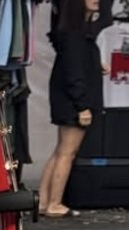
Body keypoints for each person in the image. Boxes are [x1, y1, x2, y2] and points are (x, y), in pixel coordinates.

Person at [40, 0, 103, 216]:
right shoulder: (74, 33)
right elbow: (73, 73)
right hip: (73, 101)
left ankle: (44, 201)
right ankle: (54, 203)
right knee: (68, 152)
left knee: (60, 151)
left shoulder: (73, 32)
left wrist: (96, 64)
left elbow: (74, 64)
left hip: (67, 98)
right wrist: (82, 106)